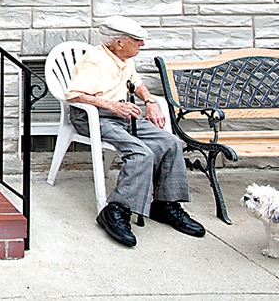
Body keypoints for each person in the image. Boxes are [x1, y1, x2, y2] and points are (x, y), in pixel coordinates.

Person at [64, 15, 205, 247]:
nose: (142, 44)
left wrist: (149, 101)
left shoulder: (124, 58)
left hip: (122, 114)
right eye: (137, 40)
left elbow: (136, 83)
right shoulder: (96, 61)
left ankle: (164, 204)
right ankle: (116, 210)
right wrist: (113, 105)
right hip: (94, 116)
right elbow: (74, 94)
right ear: (119, 42)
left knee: (170, 143)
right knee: (141, 152)